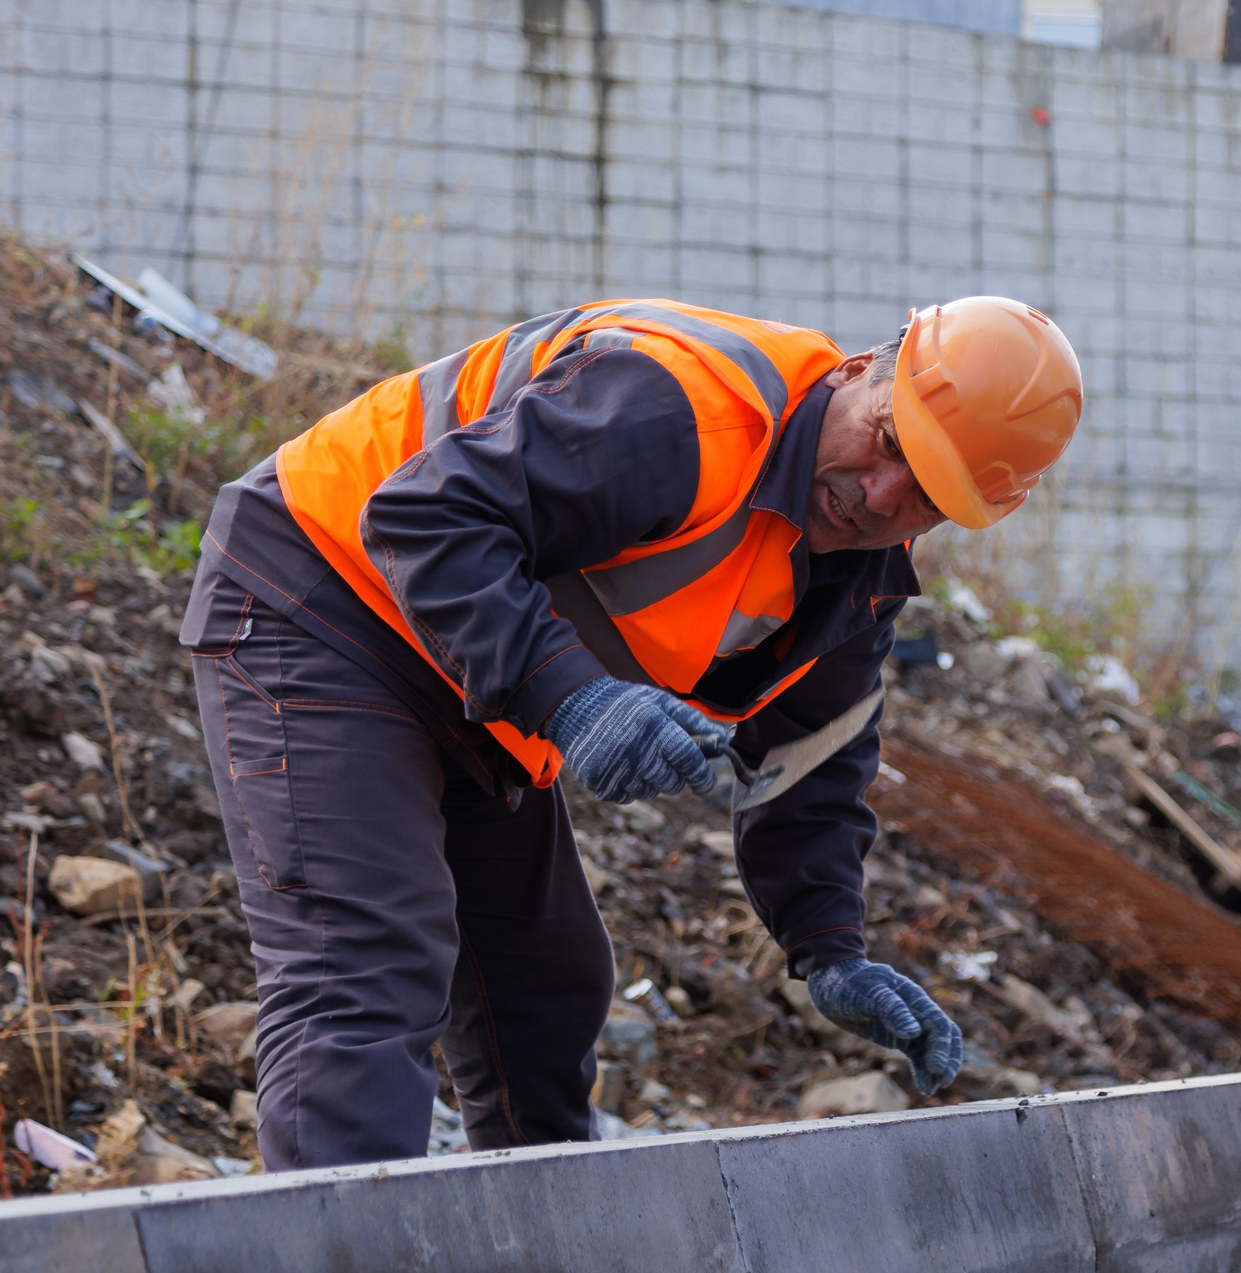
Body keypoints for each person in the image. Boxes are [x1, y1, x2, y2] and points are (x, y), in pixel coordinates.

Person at [181, 296, 1083, 1168]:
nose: (879, 496)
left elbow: (812, 757)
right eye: (888, 442)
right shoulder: (678, 411)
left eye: (925, 494)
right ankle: (340, 1266)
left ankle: (538, 1256)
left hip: (466, 658)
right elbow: (426, 518)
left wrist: (829, 947)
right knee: (368, 962)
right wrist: (572, 700)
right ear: (856, 372)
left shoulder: (859, 573)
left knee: (545, 984)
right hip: (325, 593)